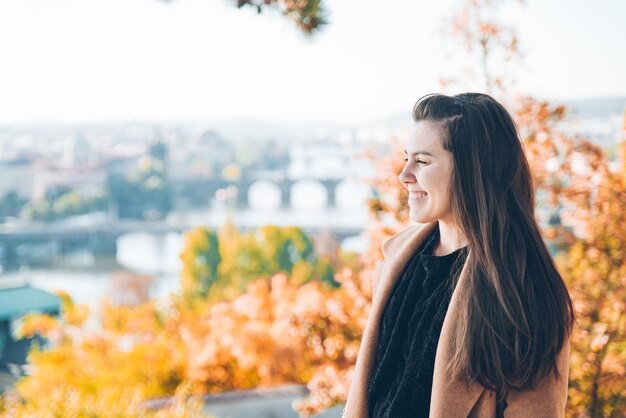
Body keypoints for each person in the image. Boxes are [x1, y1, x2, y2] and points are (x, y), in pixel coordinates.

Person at [342, 93, 575, 418]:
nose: (404, 175)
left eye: (422, 161)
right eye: (406, 158)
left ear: (472, 170)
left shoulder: (524, 291)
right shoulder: (396, 262)